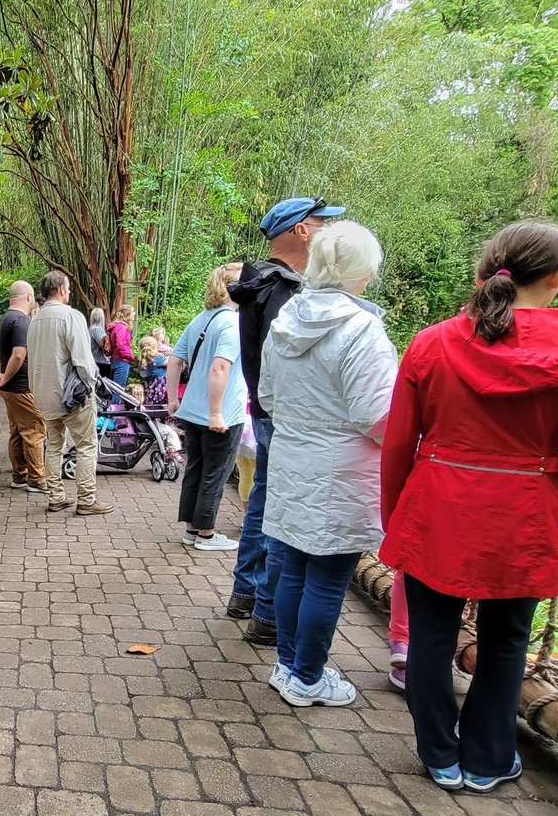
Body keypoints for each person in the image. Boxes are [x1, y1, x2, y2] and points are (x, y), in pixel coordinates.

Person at [381, 219, 558, 791]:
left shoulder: (432, 341)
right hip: (522, 508)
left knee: (430, 635)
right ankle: (489, 757)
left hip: (436, 503)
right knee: (506, 639)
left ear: (489, 267)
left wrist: (394, 515)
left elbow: (400, 441)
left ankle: (440, 757)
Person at [259, 222, 397, 707]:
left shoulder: (287, 319)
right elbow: (378, 414)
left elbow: (268, 395)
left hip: (292, 459)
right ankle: (308, 676)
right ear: (363, 270)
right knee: (329, 576)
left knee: (294, 568)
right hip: (342, 469)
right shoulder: (361, 329)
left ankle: (289, 665)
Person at [227, 196, 346, 644]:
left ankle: (247, 594)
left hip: (268, 411)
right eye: (321, 224)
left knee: (264, 500)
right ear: (300, 230)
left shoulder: (261, 282)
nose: (326, 232)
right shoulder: (284, 290)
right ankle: (268, 613)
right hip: (288, 418)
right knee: (283, 510)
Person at [167, 263, 245, 550]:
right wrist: (216, 412)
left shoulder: (201, 318)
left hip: (191, 411)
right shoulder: (232, 323)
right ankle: (207, 534)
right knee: (217, 471)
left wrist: (173, 399)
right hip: (221, 414)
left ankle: (191, 529)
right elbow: (220, 367)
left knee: (196, 469)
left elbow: (175, 359)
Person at [28, 271, 112, 515]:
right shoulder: (71, 316)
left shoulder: (35, 319)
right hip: (73, 395)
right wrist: (92, 385)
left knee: (54, 446)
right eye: (68, 288)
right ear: (62, 290)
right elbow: (83, 360)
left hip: (44, 395)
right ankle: (86, 499)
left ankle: (57, 496)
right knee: (86, 445)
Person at [0, 280, 46, 493]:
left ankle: (20, 475)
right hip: (20, 386)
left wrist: (2, 377)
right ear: (30, 297)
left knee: (17, 431)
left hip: (10, 388)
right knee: (34, 429)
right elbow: (18, 354)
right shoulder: (22, 321)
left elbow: (3, 353)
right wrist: (5, 377)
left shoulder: (4, 319)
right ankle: (37, 479)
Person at [138, 330, 171, 413]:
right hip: (161, 387)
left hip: (152, 386)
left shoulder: (144, 360)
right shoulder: (156, 359)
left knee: (154, 405)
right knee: (163, 405)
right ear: (154, 348)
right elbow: (170, 361)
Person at [107, 305, 136, 390]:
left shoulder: (120, 327)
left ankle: (116, 403)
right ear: (127, 314)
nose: (134, 314)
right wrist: (130, 356)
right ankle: (116, 403)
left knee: (118, 387)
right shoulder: (121, 328)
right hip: (121, 360)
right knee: (119, 389)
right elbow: (121, 345)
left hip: (118, 359)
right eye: (132, 312)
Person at [88, 308, 112, 382]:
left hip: (96, 361)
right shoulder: (96, 330)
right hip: (100, 362)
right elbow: (104, 345)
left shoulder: (90, 329)